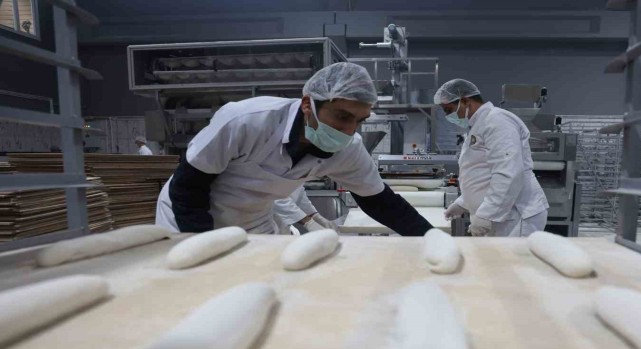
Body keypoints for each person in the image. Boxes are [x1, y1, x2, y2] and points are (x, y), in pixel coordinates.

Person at [156, 62, 433, 236]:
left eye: (359, 121)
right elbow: (188, 187)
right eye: (342, 116)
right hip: (188, 217)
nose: (349, 130)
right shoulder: (247, 121)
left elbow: (381, 202)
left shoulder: (349, 149)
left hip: (254, 223)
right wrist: (204, 244)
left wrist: (432, 238)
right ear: (307, 104)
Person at [435, 79, 549, 237]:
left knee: (510, 254)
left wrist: (486, 215)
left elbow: (508, 173)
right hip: (501, 215)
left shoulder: (497, 121)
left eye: (449, 110)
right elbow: (480, 172)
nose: (448, 116)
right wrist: (463, 202)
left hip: (517, 215)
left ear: (465, 101)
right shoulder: (479, 125)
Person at [273, 186, 338, 234]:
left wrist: (315, 215)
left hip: (282, 227)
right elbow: (277, 198)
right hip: (270, 224)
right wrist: (309, 223)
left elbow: (299, 193)